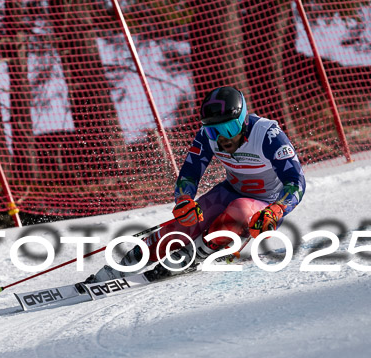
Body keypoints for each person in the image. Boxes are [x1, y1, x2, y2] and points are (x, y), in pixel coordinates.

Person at [87, 86, 306, 282]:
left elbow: (296, 181)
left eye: (228, 129)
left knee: (238, 211)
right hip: (229, 192)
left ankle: (198, 254)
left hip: (262, 208)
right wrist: (184, 201)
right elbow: (190, 172)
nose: (221, 138)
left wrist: (276, 210)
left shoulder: (268, 134)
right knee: (182, 226)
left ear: (241, 120)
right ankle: (119, 268)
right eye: (213, 131)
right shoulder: (206, 136)